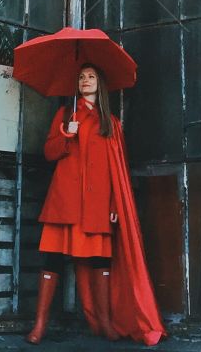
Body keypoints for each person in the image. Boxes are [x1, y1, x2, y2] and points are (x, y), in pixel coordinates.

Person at [25, 63, 166, 345]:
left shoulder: (111, 123)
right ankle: (40, 324)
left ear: (100, 83)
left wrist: (114, 204)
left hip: (98, 204)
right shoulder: (65, 114)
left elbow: (118, 170)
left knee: (101, 260)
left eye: (90, 76)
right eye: (81, 77)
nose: (85, 80)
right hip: (65, 201)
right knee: (52, 259)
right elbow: (49, 153)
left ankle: (103, 321)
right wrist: (67, 133)